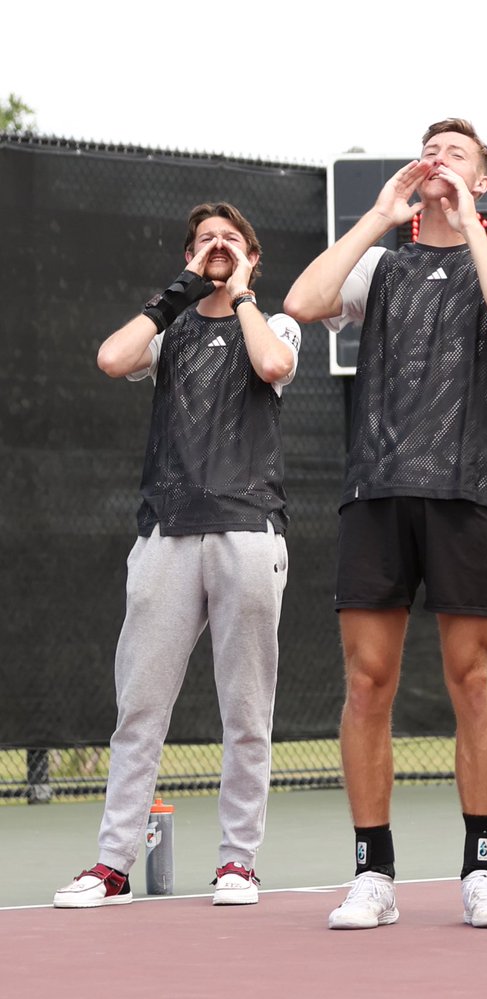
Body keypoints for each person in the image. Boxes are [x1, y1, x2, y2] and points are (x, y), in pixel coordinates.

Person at [283, 118, 487, 931]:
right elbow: (302, 300)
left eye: (457, 152)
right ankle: (373, 872)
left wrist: (469, 226)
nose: (441, 159)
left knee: (473, 682)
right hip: (377, 491)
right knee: (366, 683)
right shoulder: (381, 266)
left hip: (466, 493)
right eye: (432, 150)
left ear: (482, 179)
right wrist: (382, 209)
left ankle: (484, 867)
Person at [54, 203, 300, 908]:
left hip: (248, 531)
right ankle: (112, 864)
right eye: (203, 241)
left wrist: (243, 290)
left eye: (230, 240)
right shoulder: (170, 332)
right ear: (189, 255)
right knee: (139, 708)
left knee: (246, 710)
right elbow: (110, 358)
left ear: (252, 256)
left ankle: (237, 862)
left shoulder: (273, 324)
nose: (216, 247)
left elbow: (274, 363)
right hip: (166, 532)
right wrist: (179, 291)